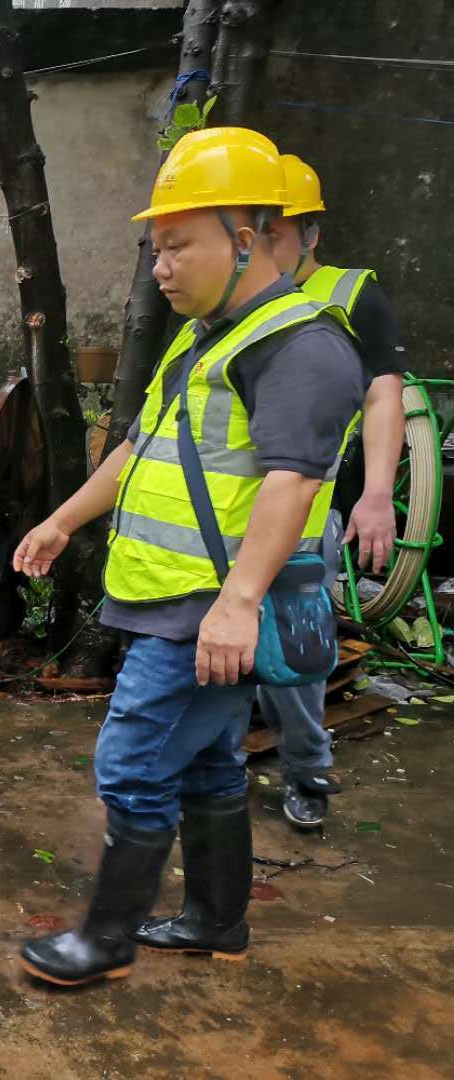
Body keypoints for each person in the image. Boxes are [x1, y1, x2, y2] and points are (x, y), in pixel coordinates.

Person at [13, 128, 365, 986]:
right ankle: (216, 921)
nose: (161, 268)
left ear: (244, 240)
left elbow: (293, 481)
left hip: (209, 608)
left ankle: (105, 940)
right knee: (207, 763)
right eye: (157, 249)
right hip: (174, 599)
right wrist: (62, 520)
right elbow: (140, 448)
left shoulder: (299, 343)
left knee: (133, 762)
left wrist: (238, 603)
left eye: (178, 246)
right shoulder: (205, 337)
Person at [256, 153, 406, 828]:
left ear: (310, 233)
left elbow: (383, 396)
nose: (261, 247)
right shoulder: (227, 300)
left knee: (295, 655)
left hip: (305, 508)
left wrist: (375, 494)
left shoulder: (350, 296)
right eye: (253, 232)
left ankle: (306, 769)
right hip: (223, 513)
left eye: (276, 233)